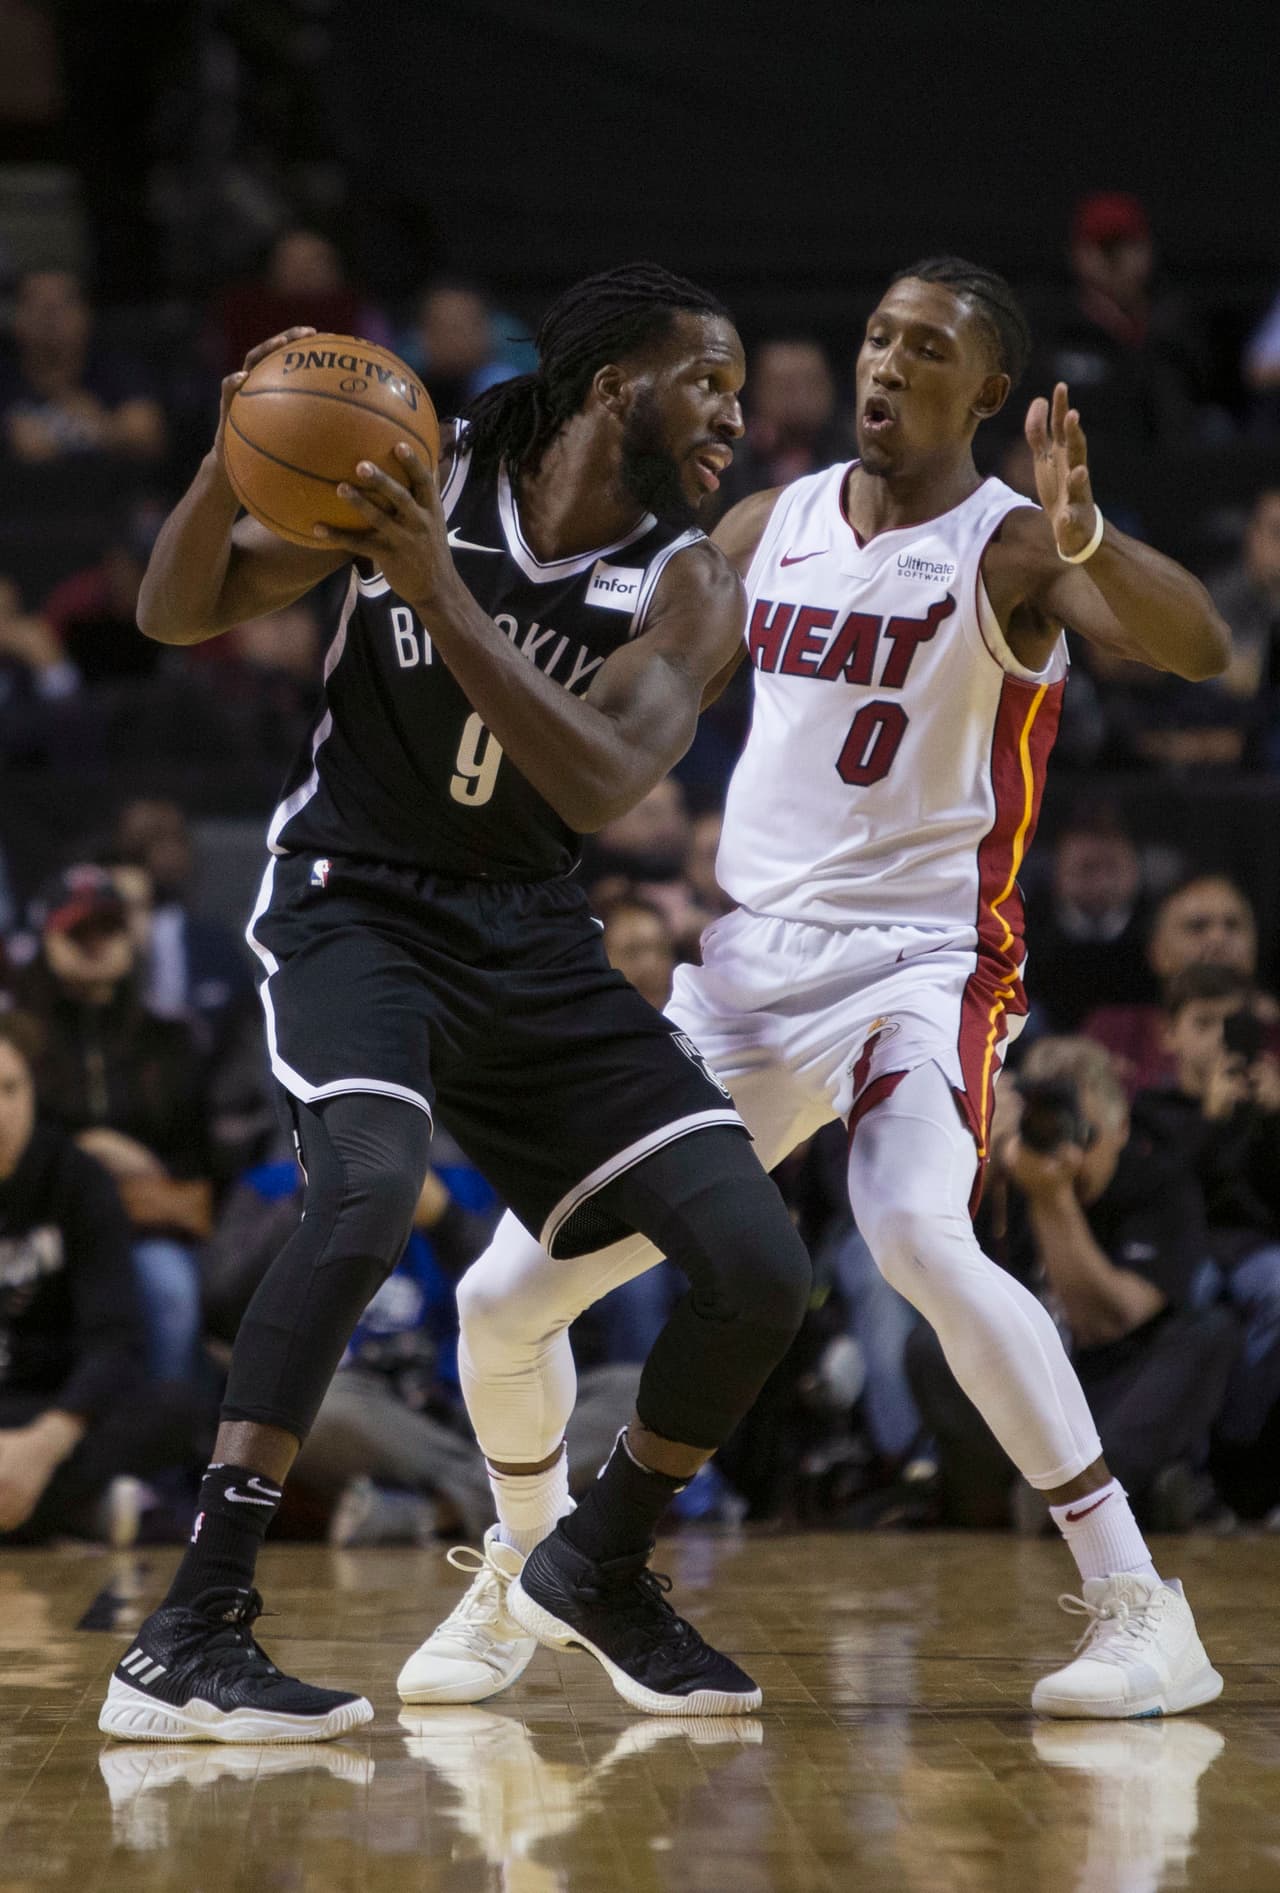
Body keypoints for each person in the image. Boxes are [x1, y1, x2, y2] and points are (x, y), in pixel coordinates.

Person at [421, 255, 1233, 1720]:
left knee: (914, 1225)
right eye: (874, 336)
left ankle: (1137, 1602)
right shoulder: (767, 521)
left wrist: (1091, 534)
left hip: (921, 962)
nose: (884, 364)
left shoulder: (1011, 549)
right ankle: (527, 1576)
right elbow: (637, 697)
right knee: (498, 1300)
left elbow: (1201, 649)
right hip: (744, 974)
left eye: (926, 349)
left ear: (986, 390)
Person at [99, 263, 817, 1744]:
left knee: (759, 1262)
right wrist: (234, 448)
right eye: (710, 385)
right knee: (366, 1195)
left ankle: (596, 1562)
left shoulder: (689, 581)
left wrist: (436, 591)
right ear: (621, 387)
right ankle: (192, 1626)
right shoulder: (426, 463)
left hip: (536, 941)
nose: (734, 423)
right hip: (356, 902)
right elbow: (179, 609)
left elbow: (609, 782)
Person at [906, 1037, 1238, 1532]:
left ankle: (1078, 1500)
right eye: (1049, 1129)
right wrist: (977, 1167)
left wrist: (1050, 1197)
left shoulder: (1160, 1186)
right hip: (1020, 1400)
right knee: (931, 1343)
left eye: (1084, 1134)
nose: (1070, 1154)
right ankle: (1075, 1503)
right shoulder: (1004, 1173)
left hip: (1113, 1393)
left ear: (1122, 1128)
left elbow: (1107, 1322)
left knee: (1212, 1332)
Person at [0, 1011, 203, 1545]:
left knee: (178, 1408)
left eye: (9, 1089)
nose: (0, 1112)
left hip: (56, 1407)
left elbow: (114, 1340)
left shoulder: (77, 1179)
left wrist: (41, 1446)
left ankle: (51, 1509)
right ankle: (80, 1511)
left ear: (31, 1092)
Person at [1084, 873, 1278, 1095]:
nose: (1218, 938)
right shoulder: (1113, 1033)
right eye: (1197, 926)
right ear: (1157, 952)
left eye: (1233, 925)